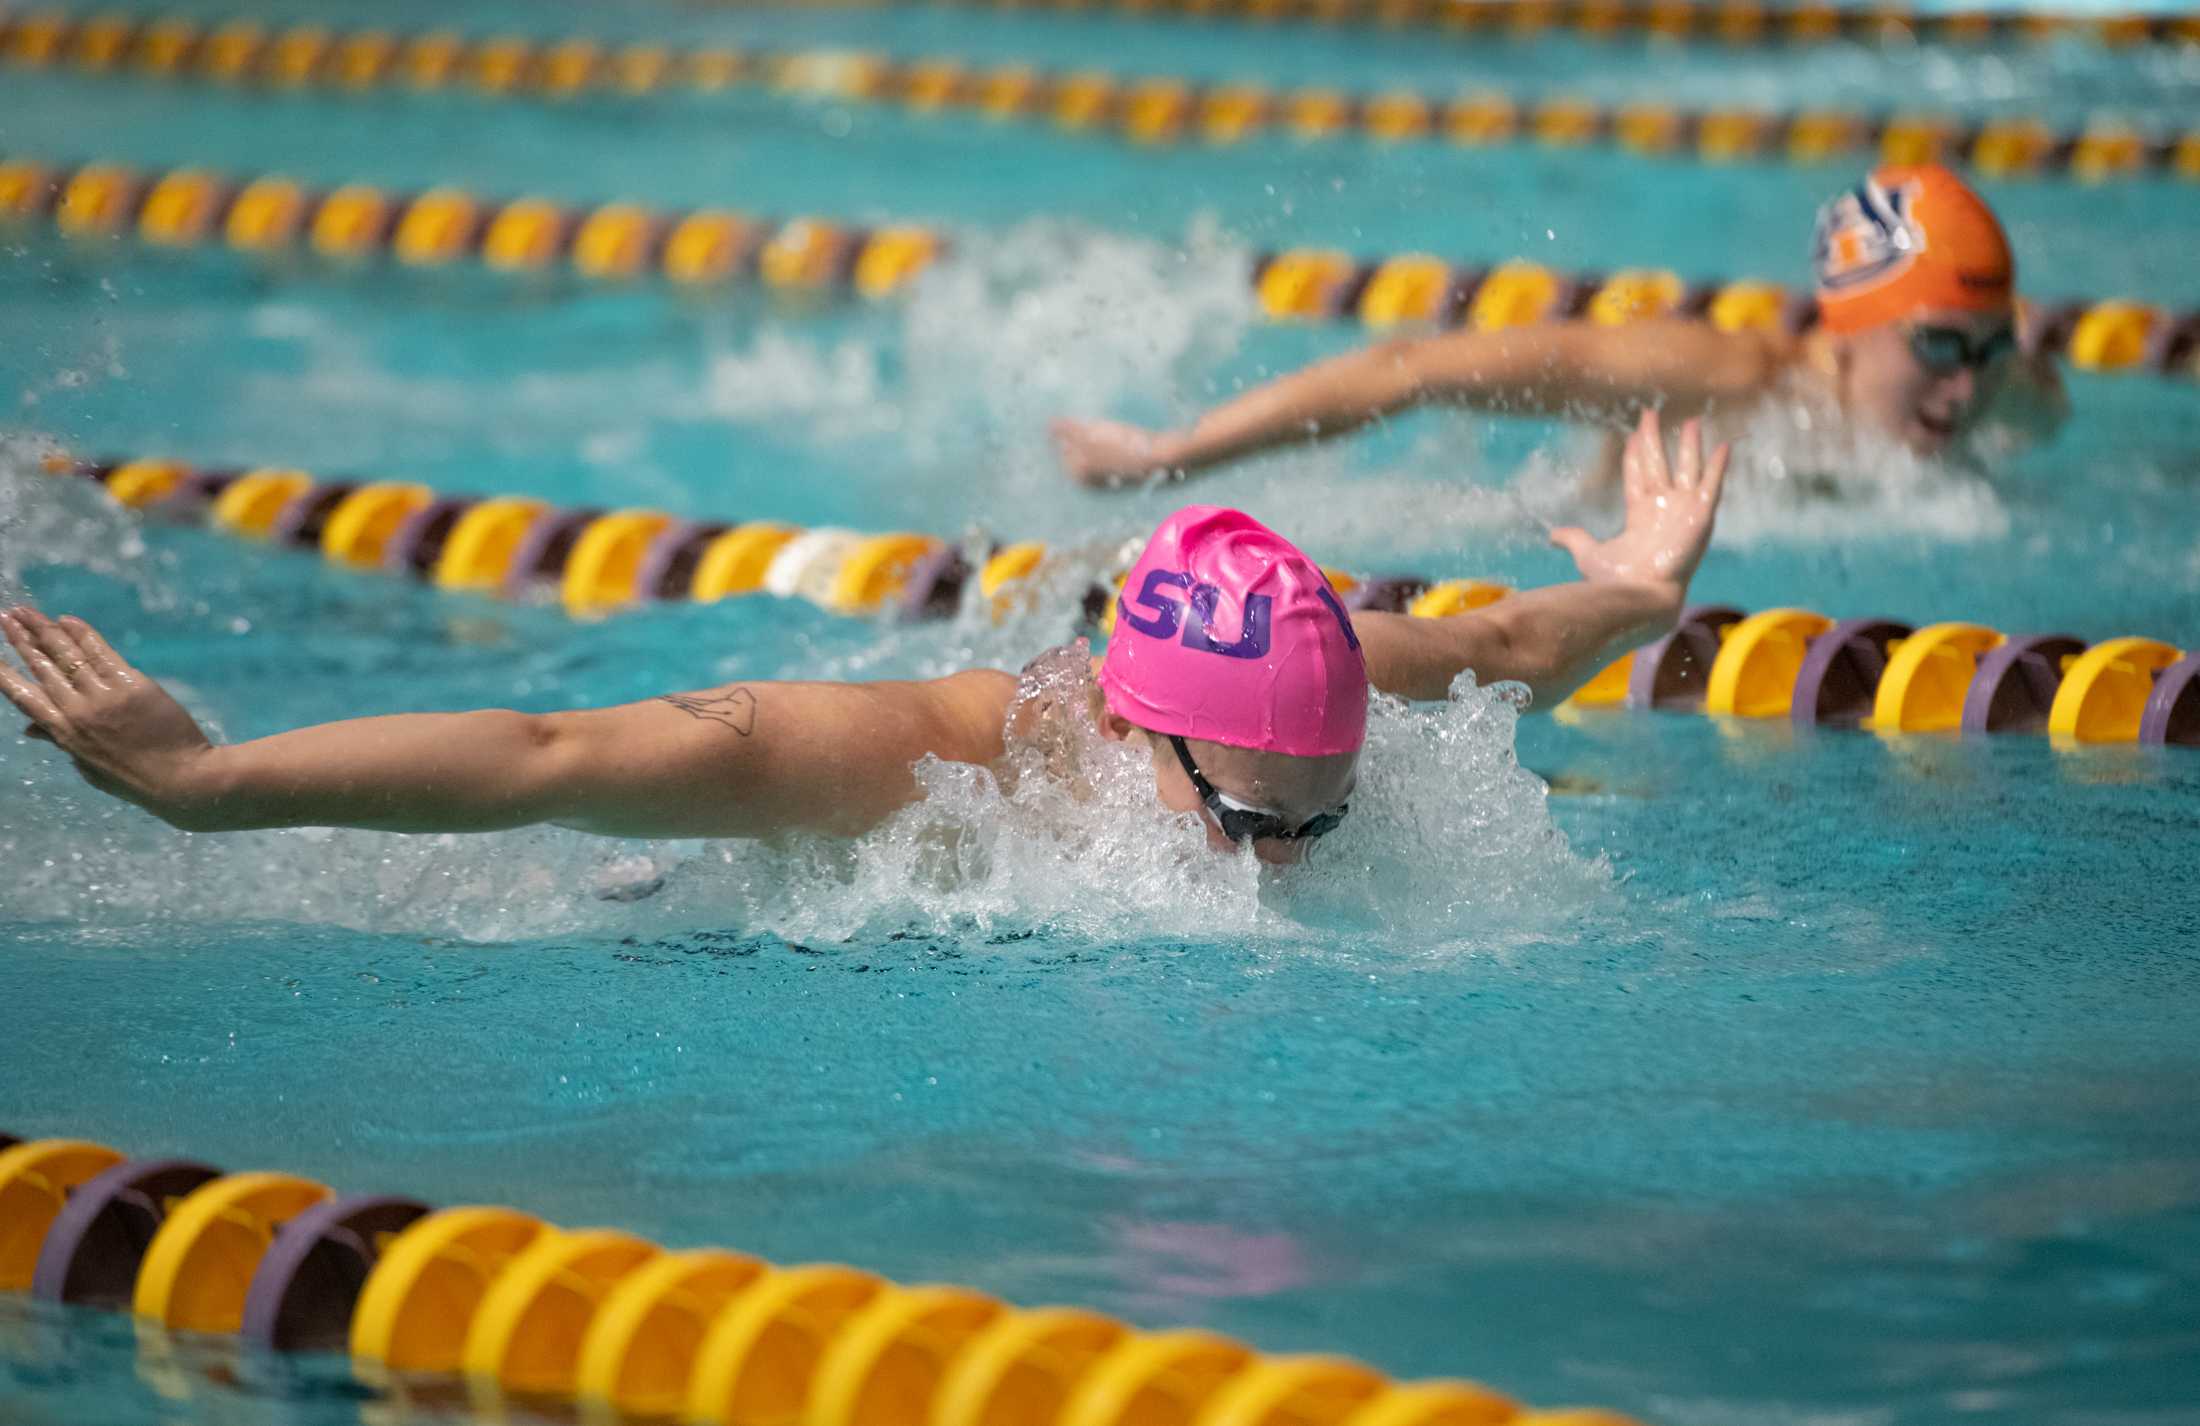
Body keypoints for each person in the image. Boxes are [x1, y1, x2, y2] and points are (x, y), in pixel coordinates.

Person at [2, 414, 1725, 867]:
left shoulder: (1311, 697)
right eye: (1252, 824)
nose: (1282, 863)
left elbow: (1499, 638)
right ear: (1135, 737)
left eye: (1322, 819)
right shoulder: (922, 763)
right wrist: (203, 780)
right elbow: (557, 756)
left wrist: (1642, 593)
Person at [1052, 164, 2065, 495]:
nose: (1966, 389)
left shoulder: (2008, 386)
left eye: (1988, 348)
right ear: (1846, 330)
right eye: (1936, 345)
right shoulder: (1710, 372)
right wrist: (1175, 452)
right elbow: (1412, 368)